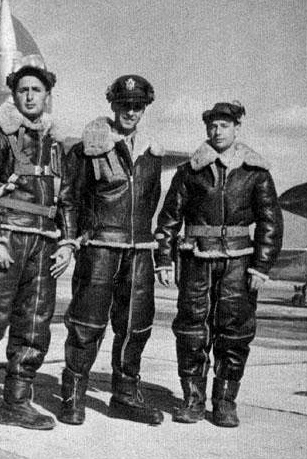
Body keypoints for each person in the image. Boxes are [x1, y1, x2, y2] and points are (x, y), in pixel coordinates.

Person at [0, 55, 75, 433]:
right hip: (5, 238)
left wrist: (68, 242)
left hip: (44, 245)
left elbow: (66, 196)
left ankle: (16, 403)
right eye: (23, 90)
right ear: (14, 94)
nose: (30, 96)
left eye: (36, 90)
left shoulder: (54, 144)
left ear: (47, 95)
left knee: (34, 327)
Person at [155, 101, 283, 427]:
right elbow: (169, 219)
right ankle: (193, 400)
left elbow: (270, 222)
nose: (217, 131)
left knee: (235, 332)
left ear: (237, 128)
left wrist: (261, 266)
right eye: (212, 126)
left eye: (224, 125)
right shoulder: (189, 172)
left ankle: (225, 402)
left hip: (239, 264)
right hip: (196, 260)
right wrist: (164, 260)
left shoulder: (256, 172)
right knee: (191, 330)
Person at [59, 75, 165, 426]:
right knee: (86, 323)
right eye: (124, 105)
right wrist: (71, 239)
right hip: (100, 248)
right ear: (113, 106)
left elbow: (150, 200)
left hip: (138, 250)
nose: (130, 112)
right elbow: (70, 199)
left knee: (136, 324)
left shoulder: (151, 154)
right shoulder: (88, 148)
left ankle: (125, 393)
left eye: (137, 106)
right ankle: (73, 394)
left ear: (144, 109)